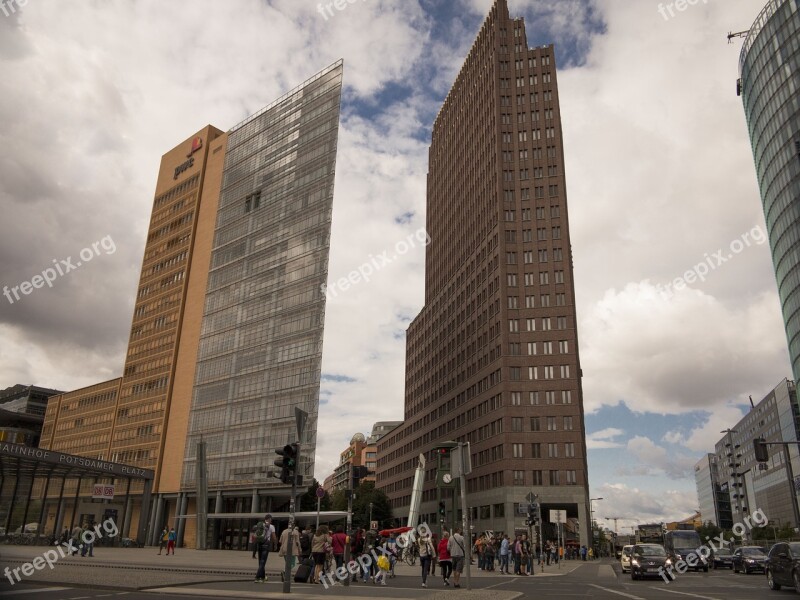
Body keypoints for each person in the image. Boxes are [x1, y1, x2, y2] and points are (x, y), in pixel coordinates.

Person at [253, 515, 275, 583]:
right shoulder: (271, 526)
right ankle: (257, 577)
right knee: (263, 562)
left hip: (260, 544)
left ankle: (262, 577)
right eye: (271, 519)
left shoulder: (260, 525)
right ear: (269, 519)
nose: (271, 520)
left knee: (260, 561)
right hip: (266, 544)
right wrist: (275, 544)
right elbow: (274, 537)